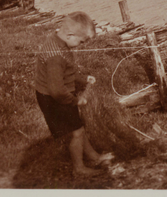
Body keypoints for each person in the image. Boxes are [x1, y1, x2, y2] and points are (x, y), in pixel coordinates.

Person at [35, 11, 113, 176]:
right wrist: (75, 101)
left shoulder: (59, 42)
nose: (81, 44)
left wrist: (83, 80)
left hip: (58, 93)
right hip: (52, 98)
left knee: (78, 126)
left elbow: (67, 71)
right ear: (70, 35)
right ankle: (79, 169)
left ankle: (93, 157)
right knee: (75, 133)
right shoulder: (55, 56)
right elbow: (56, 90)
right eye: (81, 41)